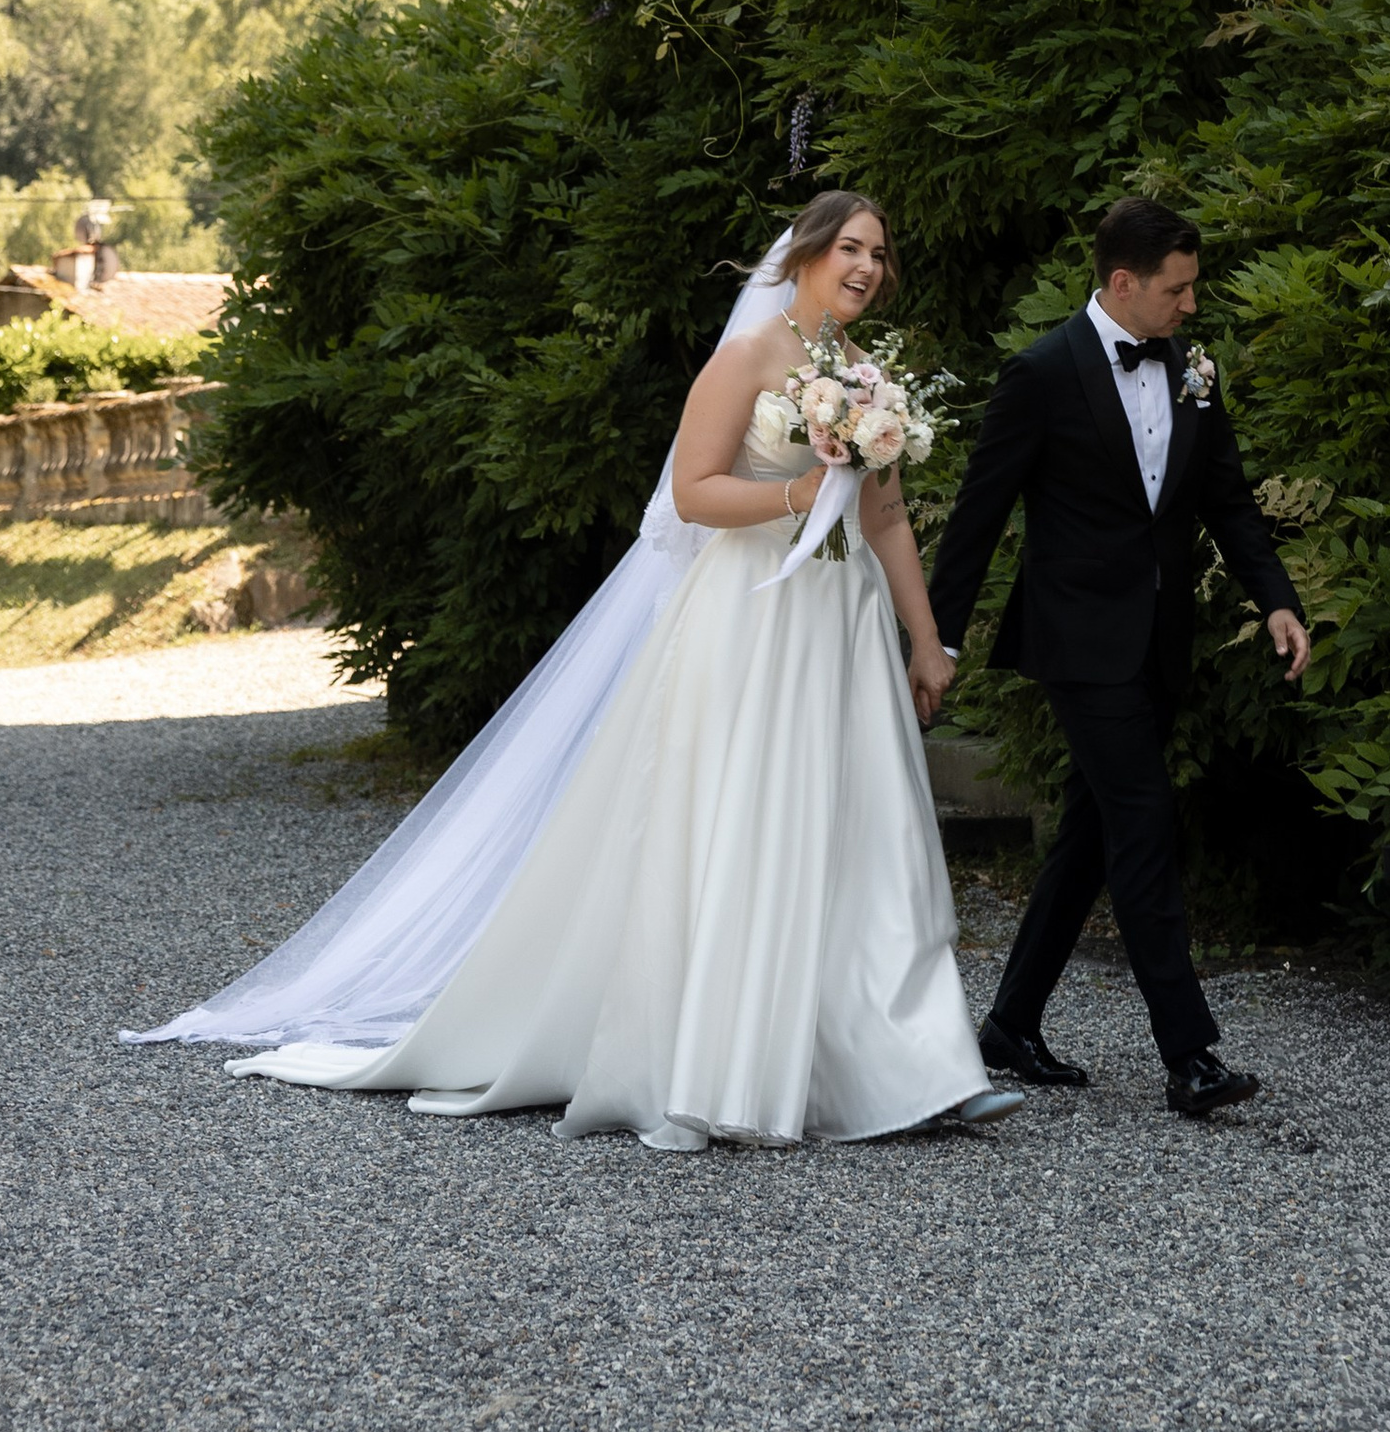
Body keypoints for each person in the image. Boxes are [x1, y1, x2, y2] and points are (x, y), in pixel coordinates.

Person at [127, 195, 1019, 1152]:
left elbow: (885, 522)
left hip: (839, 631)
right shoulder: (747, 357)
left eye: (879, 254)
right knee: (751, 828)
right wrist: (800, 488)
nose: (868, 267)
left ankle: (924, 1068)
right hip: (752, 621)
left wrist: (927, 642)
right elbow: (692, 493)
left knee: (871, 836)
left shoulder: (869, 380)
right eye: (851, 247)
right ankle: (724, 1061)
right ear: (804, 253)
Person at [927, 197, 1309, 1119]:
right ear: (1123, 283)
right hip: (1078, 643)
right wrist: (935, 639)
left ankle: (1010, 1025)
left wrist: (1278, 601)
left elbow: (1228, 499)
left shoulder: (1194, 373)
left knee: (1093, 833)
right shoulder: (1040, 373)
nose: (1189, 306)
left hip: (1157, 641)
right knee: (1143, 819)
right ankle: (1191, 1055)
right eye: (1176, 290)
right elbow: (977, 518)